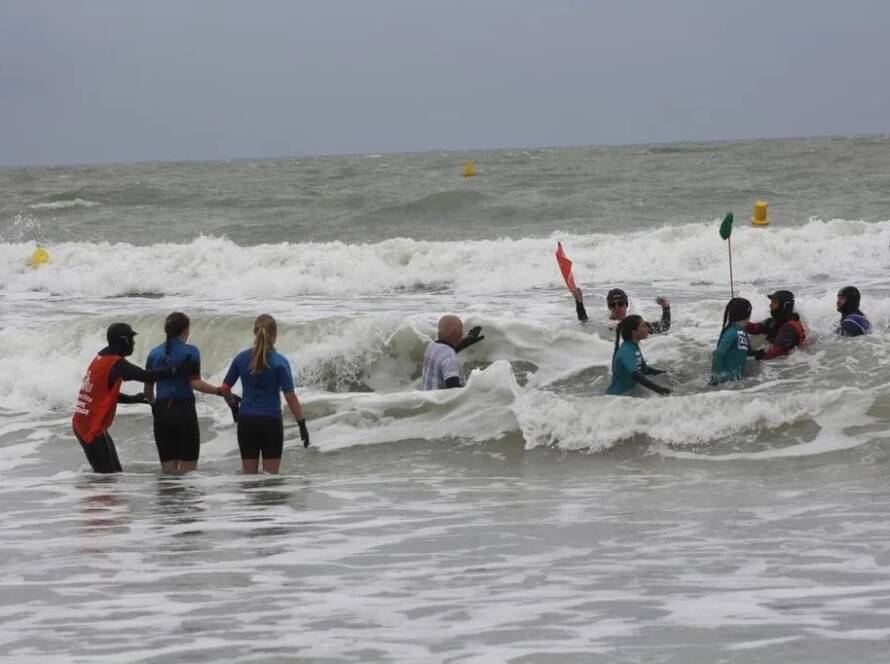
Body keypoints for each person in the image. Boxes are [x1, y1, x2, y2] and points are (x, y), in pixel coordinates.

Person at [72, 322, 187, 473]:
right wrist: (175, 370)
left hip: (85, 422)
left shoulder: (101, 357)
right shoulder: (116, 364)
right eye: (131, 339)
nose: (133, 343)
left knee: (114, 474)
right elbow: (146, 376)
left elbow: (103, 394)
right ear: (124, 341)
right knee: (106, 477)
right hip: (90, 426)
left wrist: (133, 399)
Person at [221, 314, 309, 474]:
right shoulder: (280, 362)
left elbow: (225, 388)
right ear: (274, 335)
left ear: (255, 333)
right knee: (271, 480)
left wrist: (234, 406)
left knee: (249, 478)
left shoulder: (241, 359)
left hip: (246, 422)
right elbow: (290, 397)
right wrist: (302, 424)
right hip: (271, 422)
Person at [144, 312, 230, 474]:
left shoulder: (154, 353)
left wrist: (155, 408)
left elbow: (148, 390)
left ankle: (168, 499)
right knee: (189, 473)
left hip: (162, 413)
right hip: (184, 411)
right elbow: (195, 383)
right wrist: (219, 391)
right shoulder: (190, 352)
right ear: (185, 331)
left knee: (168, 472)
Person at [606, 315, 671, 396]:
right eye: (643, 326)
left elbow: (645, 370)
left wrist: (667, 374)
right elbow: (635, 375)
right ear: (634, 332)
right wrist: (660, 390)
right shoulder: (627, 351)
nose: (647, 328)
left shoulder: (634, 347)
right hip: (614, 398)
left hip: (626, 395)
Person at [421, 315, 484, 390]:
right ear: (454, 333)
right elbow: (453, 387)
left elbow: (444, 354)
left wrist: (465, 342)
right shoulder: (449, 357)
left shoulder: (431, 346)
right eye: (461, 331)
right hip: (442, 400)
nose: (462, 334)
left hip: (427, 396)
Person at [710, 298, 762, 384]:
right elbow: (719, 354)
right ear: (747, 316)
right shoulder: (732, 332)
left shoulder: (741, 332)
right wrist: (715, 378)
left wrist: (760, 353)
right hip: (724, 383)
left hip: (735, 383)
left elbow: (748, 351)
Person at [746, 290, 806, 360]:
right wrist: (738, 321)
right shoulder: (773, 322)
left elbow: (777, 351)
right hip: (775, 366)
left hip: (789, 365)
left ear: (785, 306)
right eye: (771, 302)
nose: (770, 305)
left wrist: (754, 355)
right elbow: (755, 328)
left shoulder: (791, 327)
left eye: (774, 302)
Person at [606, 288, 671, 334]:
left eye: (620, 304)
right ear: (609, 307)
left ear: (626, 305)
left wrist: (666, 308)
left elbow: (664, 327)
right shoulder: (605, 323)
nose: (617, 307)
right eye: (613, 304)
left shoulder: (633, 323)